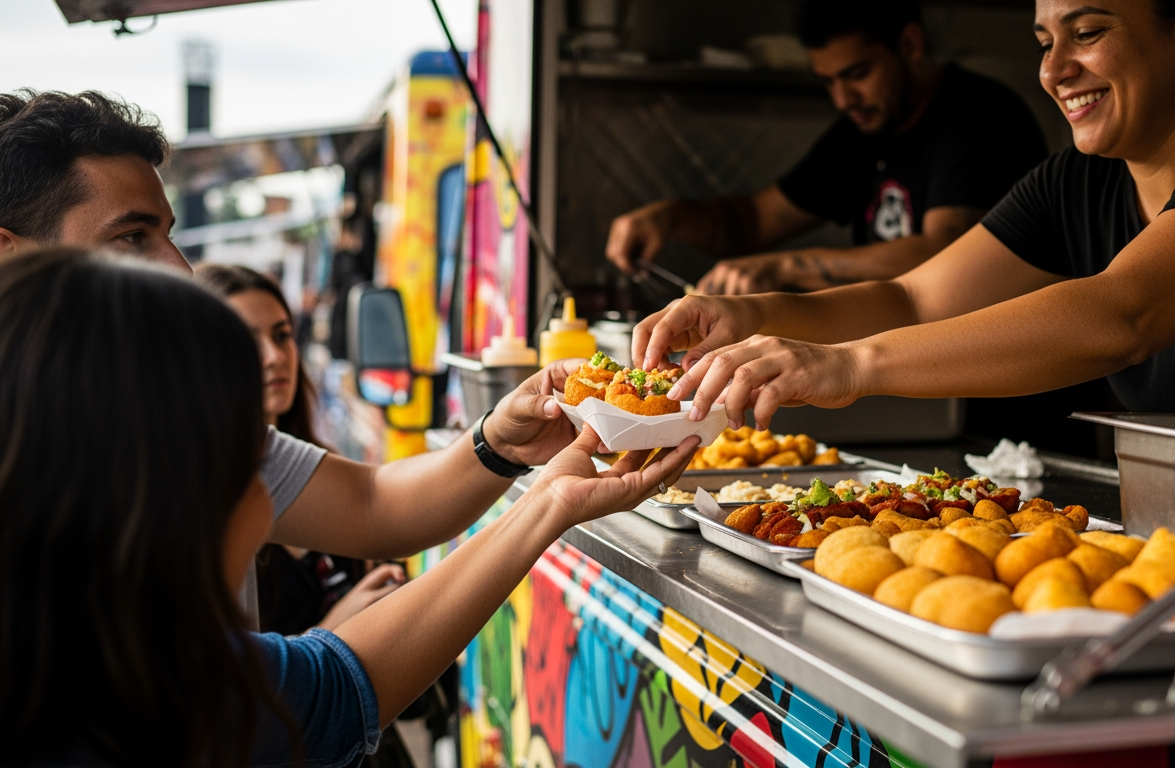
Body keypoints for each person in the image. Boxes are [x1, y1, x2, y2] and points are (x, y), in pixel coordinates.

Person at [0, 247, 699, 767]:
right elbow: (336, 688)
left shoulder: (111, 657)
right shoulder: (169, 693)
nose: (175, 262)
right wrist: (545, 503)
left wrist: (526, 478)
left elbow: (337, 673)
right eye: (234, 448)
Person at [635, 0, 1175, 433]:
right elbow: (914, 297)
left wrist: (847, 365)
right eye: (1046, 43)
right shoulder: (1076, 184)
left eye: (1087, 33)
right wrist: (751, 315)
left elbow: (1124, 315)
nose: (1054, 71)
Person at [0, 89, 590, 625]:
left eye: (168, 235)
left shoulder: (185, 423)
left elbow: (375, 505)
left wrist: (502, 442)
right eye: (132, 237)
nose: (180, 269)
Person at [604, 0, 1048, 297]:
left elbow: (947, 252)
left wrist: (783, 269)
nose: (842, 99)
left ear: (909, 45)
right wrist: (671, 216)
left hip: (1004, 397)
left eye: (856, 73)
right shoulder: (863, 129)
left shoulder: (978, 115)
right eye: (829, 81)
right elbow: (754, 220)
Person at [195, 262, 406, 635]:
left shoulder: (331, 467)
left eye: (282, 335)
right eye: (246, 342)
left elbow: (387, 507)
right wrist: (332, 631)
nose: (274, 357)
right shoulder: (208, 505)